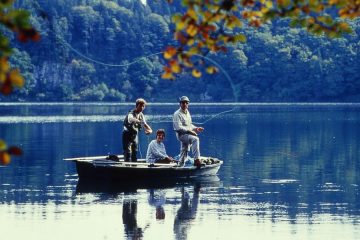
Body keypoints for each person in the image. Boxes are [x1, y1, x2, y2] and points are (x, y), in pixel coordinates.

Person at [173, 96, 204, 166]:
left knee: (184, 150)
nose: (185, 104)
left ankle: (180, 165)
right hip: (181, 135)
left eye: (186, 103)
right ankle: (196, 160)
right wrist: (190, 132)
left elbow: (189, 125)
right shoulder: (177, 114)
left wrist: (196, 128)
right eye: (183, 103)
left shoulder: (187, 112)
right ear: (180, 104)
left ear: (188, 104)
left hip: (187, 134)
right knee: (195, 139)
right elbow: (178, 128)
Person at [122, 98, 152, 162]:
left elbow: (145, 124)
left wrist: (150, 130)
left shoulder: (141, 115)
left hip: (134, 136)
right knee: (128, 153)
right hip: (127, 135)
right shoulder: (131, 113)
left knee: (135, 153)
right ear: (136, 106)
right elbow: (130, 119)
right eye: (140, 106)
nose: (142, 107)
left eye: (143, 106)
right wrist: (137, 121)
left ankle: (134, 167)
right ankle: (126, 168)